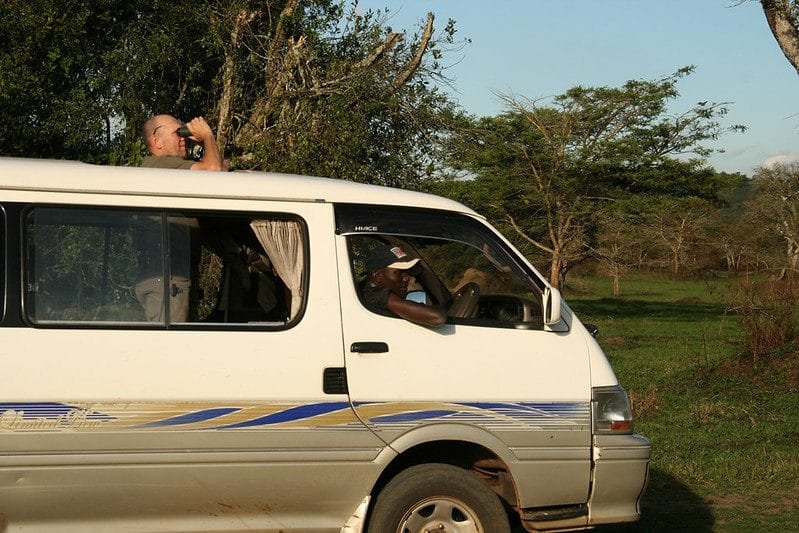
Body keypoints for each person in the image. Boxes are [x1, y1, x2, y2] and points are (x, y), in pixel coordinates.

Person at [361, 244, 446, 327]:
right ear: (378, 276)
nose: (406, 278)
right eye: (399, 272)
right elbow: (437, 317)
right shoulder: (376, 295)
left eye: (407, 272)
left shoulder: (367, 292)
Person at [140, 115, 223, 171]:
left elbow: (216, 166)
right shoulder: (161, 164)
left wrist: (203, 142)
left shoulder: (160, 166)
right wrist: (207, 134)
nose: (183, 138)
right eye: (177, 133)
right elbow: (213, 169)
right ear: (157, 142)